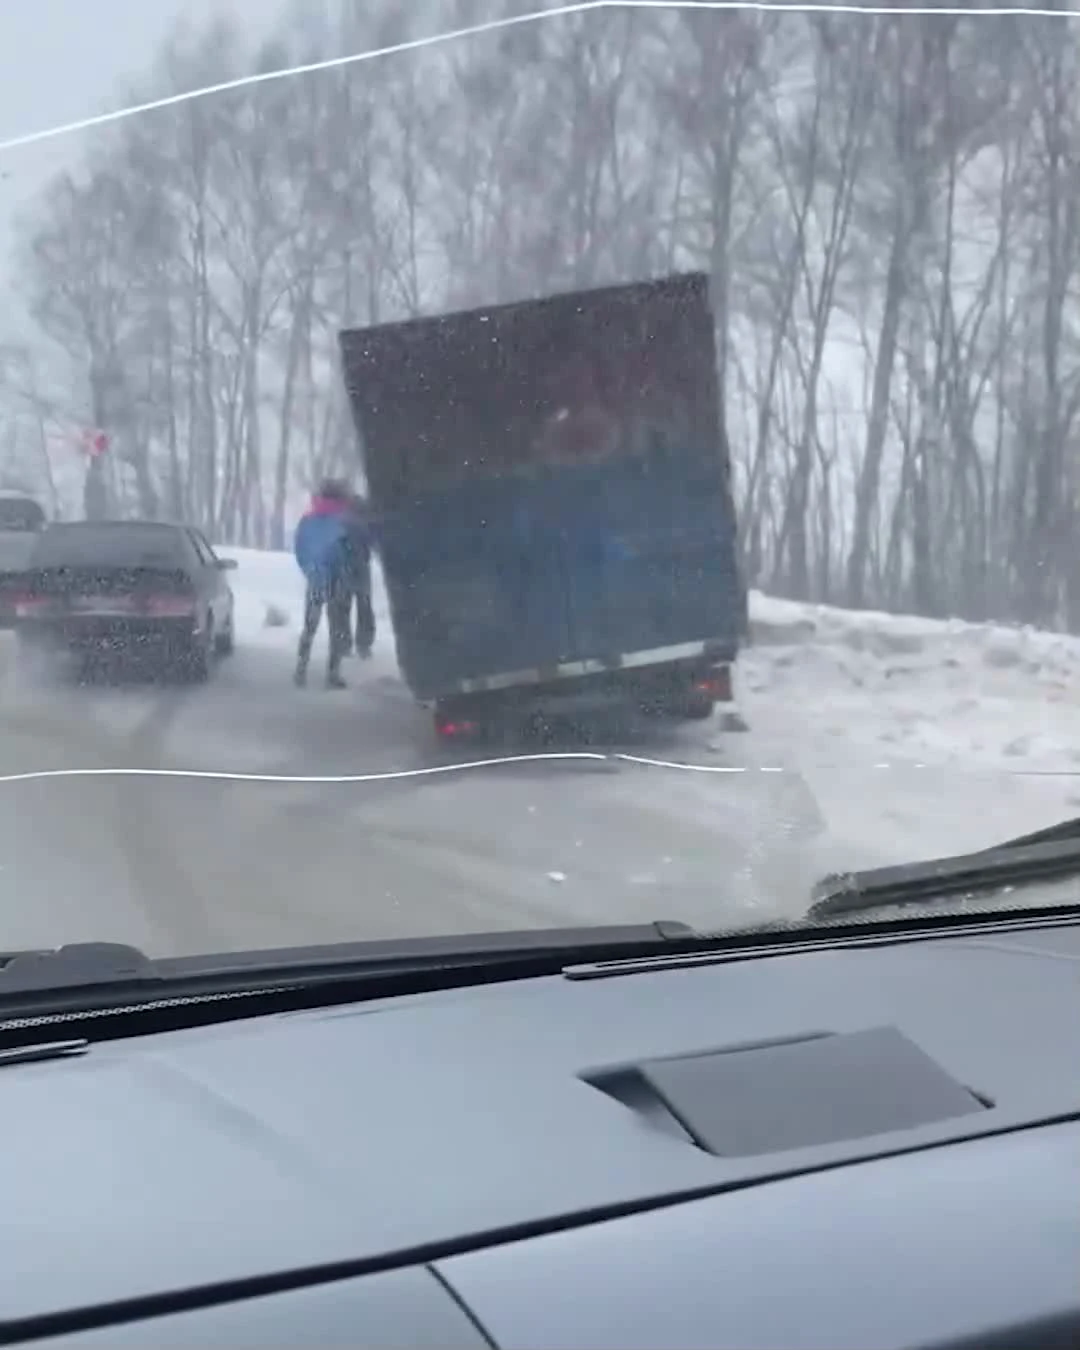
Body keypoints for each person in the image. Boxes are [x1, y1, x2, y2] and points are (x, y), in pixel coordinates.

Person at [292, 478, 354, 689]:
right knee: (336, 628)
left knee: (310, 625)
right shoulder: (345, 520)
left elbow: (300, 547)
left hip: (316, 578)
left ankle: (301, 669)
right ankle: (333, 673)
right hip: (339, 579)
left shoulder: (308, 519)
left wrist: (309, 569)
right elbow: (351, 552)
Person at [343, 492, 376, 659]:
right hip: (361, 567)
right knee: (364, 607)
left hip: (344, 568)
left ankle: (344, 643)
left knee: (344, 606)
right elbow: (372, 542)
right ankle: (364, 644)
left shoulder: (342, 521)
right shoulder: (365, 522)